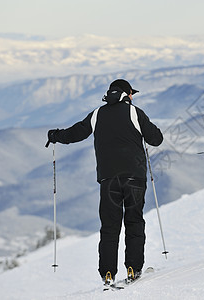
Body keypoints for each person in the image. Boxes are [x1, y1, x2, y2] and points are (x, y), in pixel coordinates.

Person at [46, 79, 163, 287]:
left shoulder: (97, 114)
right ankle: (133, 268)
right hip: (135, 178)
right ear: (128, 94)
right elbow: (156, 139)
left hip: (108, 179)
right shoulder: (135, 113)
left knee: (110, 226)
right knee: (134, 221)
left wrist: (56, 136)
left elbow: (75, 133)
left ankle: (107, 273)